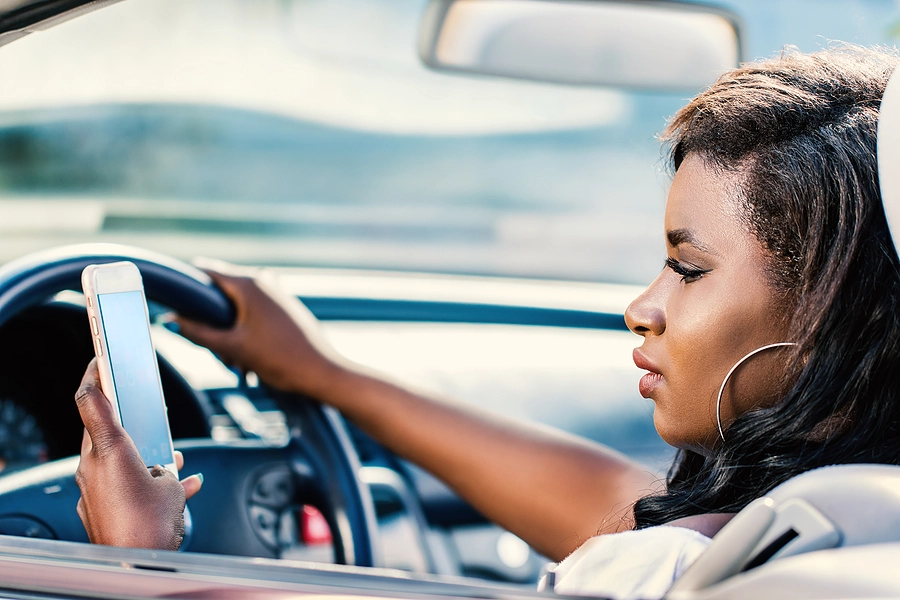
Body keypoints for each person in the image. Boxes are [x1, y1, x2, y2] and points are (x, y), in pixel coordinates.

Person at [73, 45, 900, 598]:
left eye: (688, 269)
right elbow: (620, 506)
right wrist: (329, 377)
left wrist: (136, 565)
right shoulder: (844, 520)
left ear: (834, 318)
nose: (641, 307)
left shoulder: (659, 573)